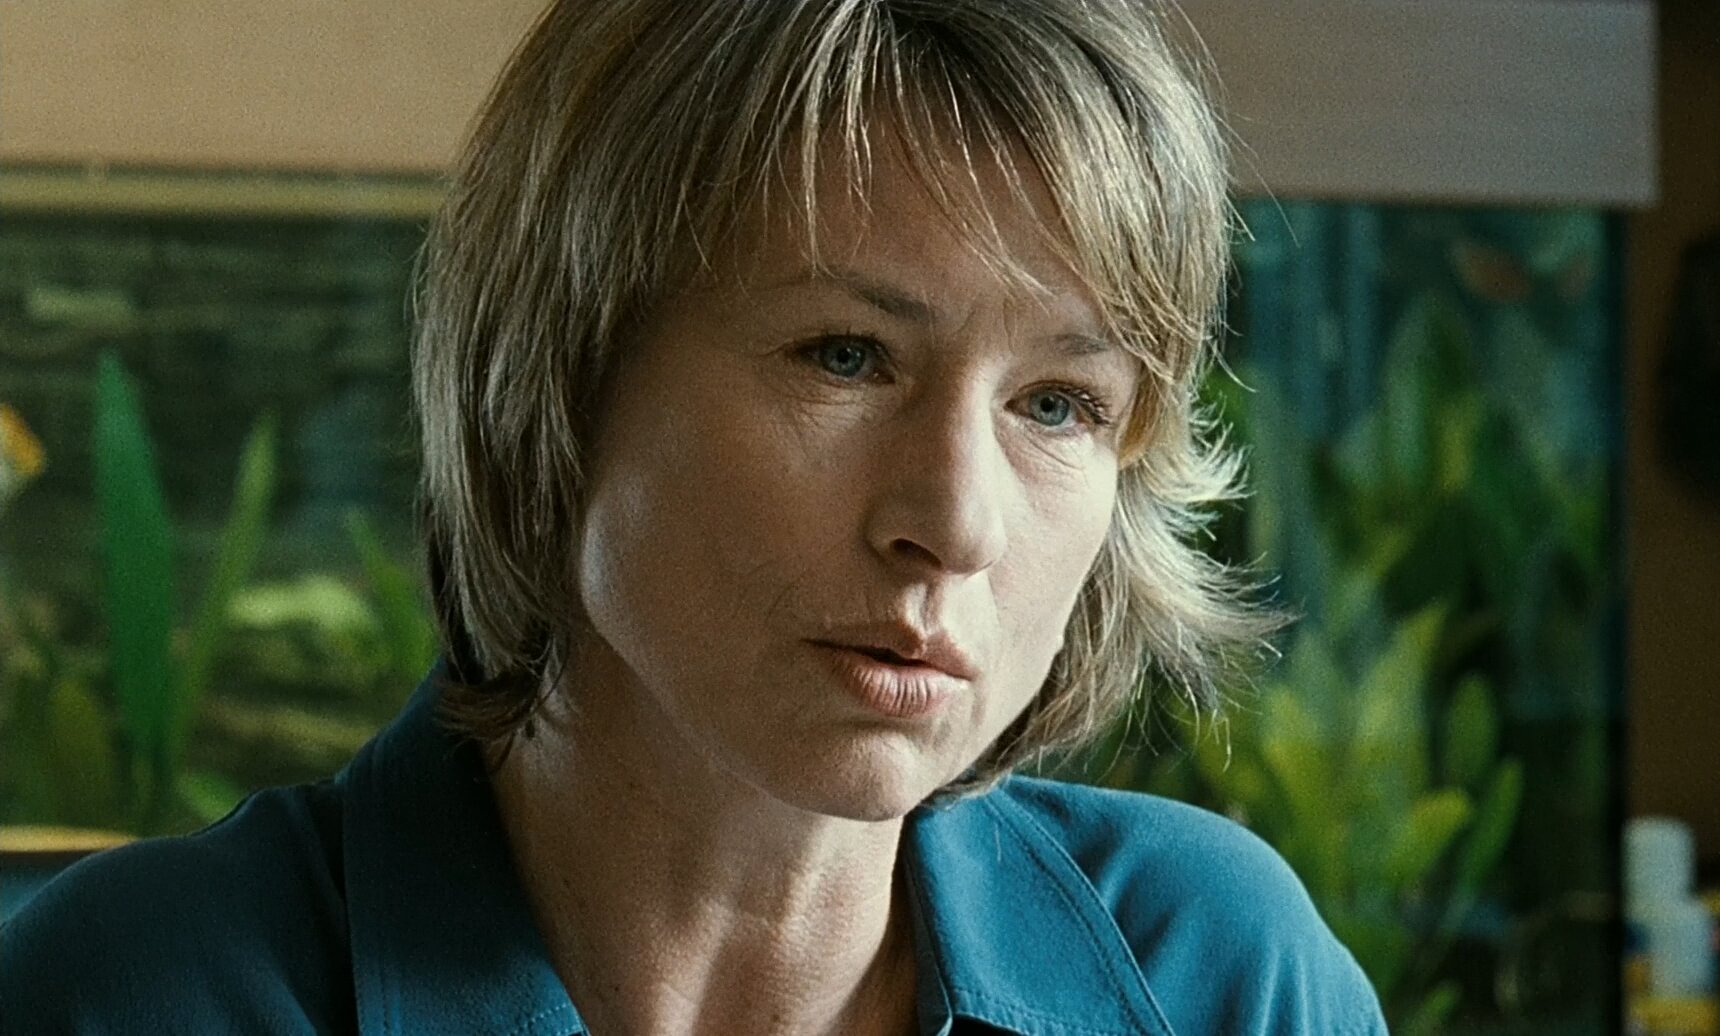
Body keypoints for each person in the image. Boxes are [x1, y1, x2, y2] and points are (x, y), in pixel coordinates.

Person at [1, 1, 1388, 1033]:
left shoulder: (1219, 973)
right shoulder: (140, 993)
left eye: (1059, 405)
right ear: (560, 374)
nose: (959, 524)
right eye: (846, 356)